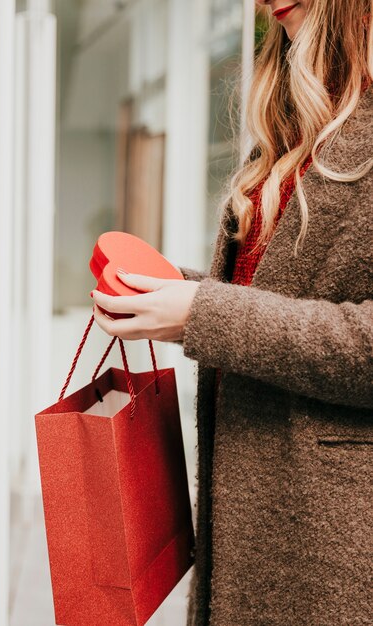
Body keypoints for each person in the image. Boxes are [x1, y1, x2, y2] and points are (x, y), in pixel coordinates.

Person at [91, 1, 373, 624]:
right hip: (261, 530)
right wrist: (175, 292)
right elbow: (277, 297)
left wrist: (204, 314)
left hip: (333, 553)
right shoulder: (294, 122)